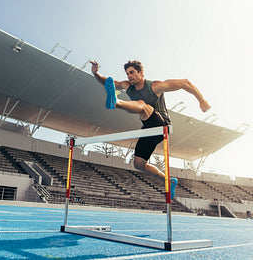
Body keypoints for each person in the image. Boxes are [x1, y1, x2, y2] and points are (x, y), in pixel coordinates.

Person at [90, 60, 211, 199]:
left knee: (142, 105)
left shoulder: (155, 86)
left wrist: (202, 100)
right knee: (139, 164)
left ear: (141, 73)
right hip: (148, 128)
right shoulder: (127, 86)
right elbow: (109, 82)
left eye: (132, 72)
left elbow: (185, 82)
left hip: (162, 125)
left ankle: (116, 102)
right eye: (127, 73)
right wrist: (96, 73)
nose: (129, 76)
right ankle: (168, 180)